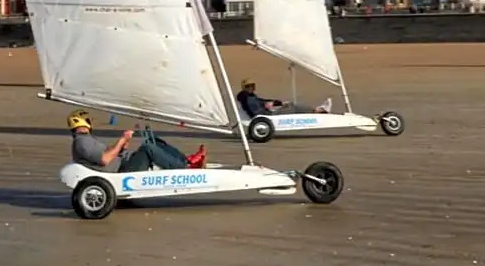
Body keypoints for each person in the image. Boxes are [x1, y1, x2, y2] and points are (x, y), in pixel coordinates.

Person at [68, 109, 207, 172]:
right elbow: (105, 159)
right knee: (148, 148)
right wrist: (122, 140)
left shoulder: (85, 140)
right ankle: (184, 168)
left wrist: (122, 146)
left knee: (153, 141)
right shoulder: (82, 142)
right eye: (88, 120)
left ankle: (186, 160)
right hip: (124, 170)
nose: (91, 122)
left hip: (125, 162)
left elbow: (109, 153)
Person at [236, 79, 332, 117]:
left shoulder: (250, 96)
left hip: (268, 113)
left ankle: (317, 110)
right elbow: (255, 111)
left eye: (252, 86)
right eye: (248, 86)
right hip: (268, 116)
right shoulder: (247, 98)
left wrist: (278, 103)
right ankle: (319, 110)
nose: (251, 88)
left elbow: (263, 101)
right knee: (293, 106)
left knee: (289, 104)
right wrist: (266, 106)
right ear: (244, 88)